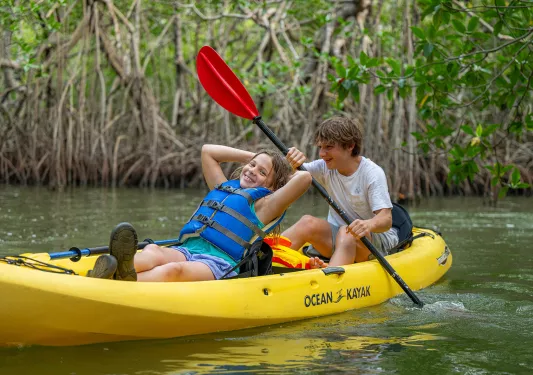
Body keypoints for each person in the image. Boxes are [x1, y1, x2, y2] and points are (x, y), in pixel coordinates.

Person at [88, 144, 325, 282]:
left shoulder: (265, 206)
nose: (252, 170)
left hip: (218, 263)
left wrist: (287, 165)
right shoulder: (223, 187)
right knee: (153, 252)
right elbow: (207, 151)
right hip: (188, 249)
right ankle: (117, 268)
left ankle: (119, 281)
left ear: (272, 187)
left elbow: (304, 178)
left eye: (262, 172)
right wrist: (252, 156)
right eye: (252, 165)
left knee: (173, 270)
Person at [281, 116, 398, 266]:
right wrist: (290, 163)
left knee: (347, 232)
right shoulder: (324, 166)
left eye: (329, 147)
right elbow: (284, 173)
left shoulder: (372, 173)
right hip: (340, 239)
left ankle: (331, 275)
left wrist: (368, 224)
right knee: (306, 222)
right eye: (320, 147)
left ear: (350, 146)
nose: (322, 154)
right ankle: (263, 263)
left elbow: (386, 219)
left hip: (373, 243)